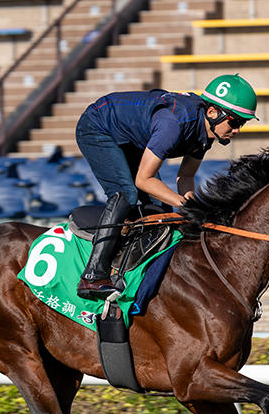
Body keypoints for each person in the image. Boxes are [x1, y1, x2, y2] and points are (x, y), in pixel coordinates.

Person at [74, 73, 258, 300]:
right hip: (98, 127)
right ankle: (93, 275)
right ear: (212, 112)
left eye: (243, 123)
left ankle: (136, 273)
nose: (238, 130)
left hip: (129, 137)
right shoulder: (174, 124)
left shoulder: (205, 133)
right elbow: (144, 180)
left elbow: (186, 176)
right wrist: (186, 205)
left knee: (161, 210)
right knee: (126, 194)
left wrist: (194, 207)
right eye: (235, 122)